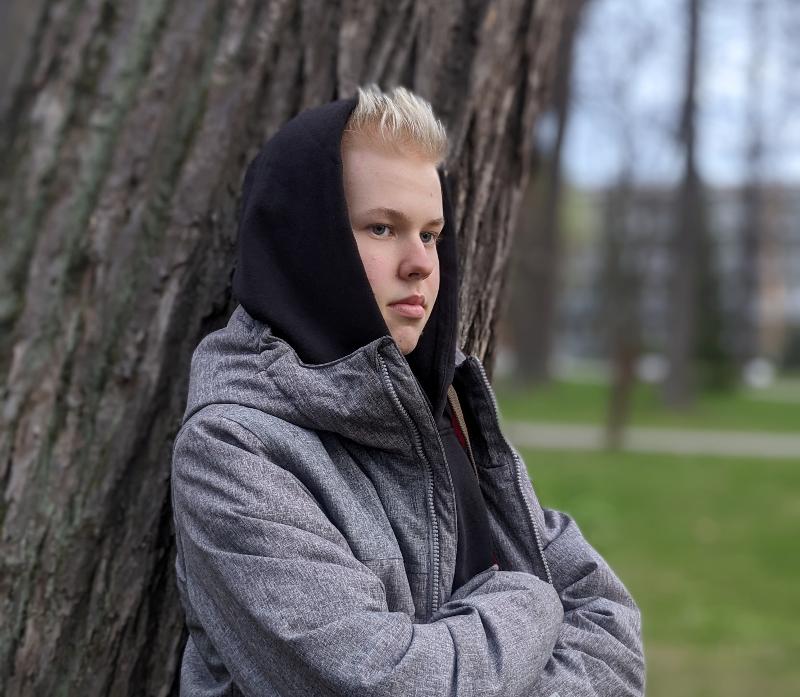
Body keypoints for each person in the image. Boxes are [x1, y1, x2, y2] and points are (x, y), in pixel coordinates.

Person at [170, 84, 644, 696]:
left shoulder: (439, 409)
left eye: (430, 234)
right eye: (382, 228)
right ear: (307, 245)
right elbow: (388, 685)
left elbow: (610, 626)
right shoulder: (233, 448)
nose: (420, 262)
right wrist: (531, 600)